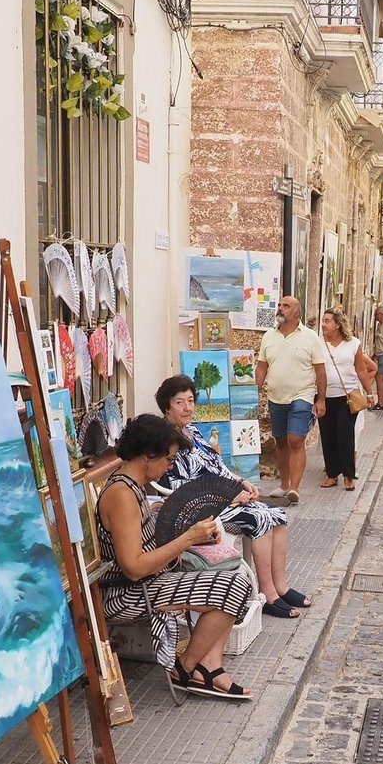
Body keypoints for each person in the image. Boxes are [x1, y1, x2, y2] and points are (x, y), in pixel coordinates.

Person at [94, 415, 255, 699]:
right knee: (234, 586)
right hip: (127, 593)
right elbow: (132, 567)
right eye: (168, 459)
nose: (169, 466)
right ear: (148, 455)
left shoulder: (131, 485)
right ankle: (186, 668)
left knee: (236, 579)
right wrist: (187, 538)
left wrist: (178, 526)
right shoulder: (122, 494)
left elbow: (140, 540)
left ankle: (209, 665)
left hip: (147, 583)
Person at [156, 376, 310, 618]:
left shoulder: (193, 431)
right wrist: (229, 497)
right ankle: (268, 594)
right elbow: (183, 486)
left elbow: (218, 467)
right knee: (259, 518)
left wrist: (240, 482)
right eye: (179, 403)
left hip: (221, 497)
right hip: (201, 506)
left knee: (277, 514)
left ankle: (281, 587)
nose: (187, 408)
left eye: (190, 401)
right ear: (166, 407)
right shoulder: (166, 440)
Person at [255, 295, 326, 504]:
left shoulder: (310, 337)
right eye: (279, 305)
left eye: (285, 306)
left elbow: (320, 371)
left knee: (296, 439)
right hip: (276, 397)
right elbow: (261, 366)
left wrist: (320, 399)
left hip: (301, 395)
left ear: (296, 313)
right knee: (281, 441)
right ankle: (284, 484)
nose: (280, 309)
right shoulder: (269, 336)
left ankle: (295, 488)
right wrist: (254, 391)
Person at [317, 308, 376, 491]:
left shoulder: (353, 344)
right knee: (328, 436)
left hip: (347, 396)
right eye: (323, 320)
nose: (323, 324)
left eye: (327, 321)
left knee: (345, 436)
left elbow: (361, 369)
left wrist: (369, 392)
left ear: (337, 324)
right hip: (324, 396)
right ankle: (332, 474)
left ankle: (349, 475)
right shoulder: (318, 344)